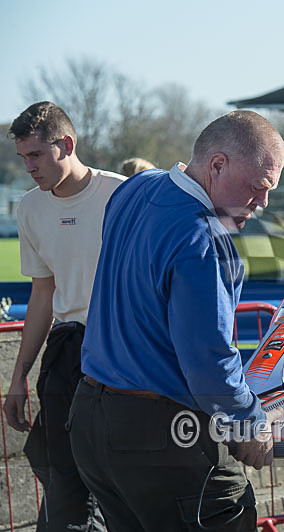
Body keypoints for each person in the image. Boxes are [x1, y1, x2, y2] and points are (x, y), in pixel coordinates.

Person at [69, 110, 284, 531]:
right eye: (258, 187)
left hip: (91, 422)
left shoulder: (135, 189)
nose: (262, 204)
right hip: (160, 435)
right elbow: (210, 364)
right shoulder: (206, 238)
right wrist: (249, 423)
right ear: (217, 164)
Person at [3, 101, 126, 531]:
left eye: (36, 155)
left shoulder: (122, 193)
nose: (28, 167)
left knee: (115, 477)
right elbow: (42, 294)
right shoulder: (30, 208)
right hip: (67, 351)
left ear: (66, 144)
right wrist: (18, 377)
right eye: (23, 158)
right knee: (60, 470)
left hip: (124, 354)